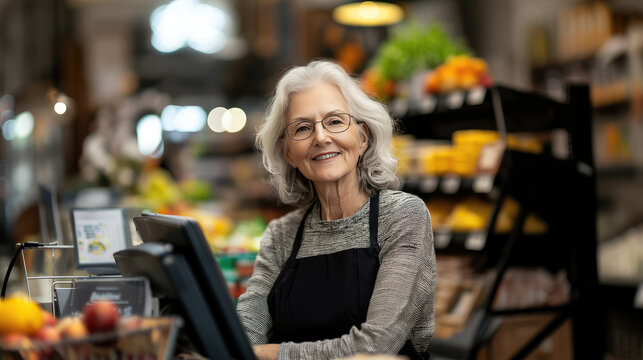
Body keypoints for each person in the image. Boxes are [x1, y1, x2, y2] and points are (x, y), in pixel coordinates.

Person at [236, 60, 436, 360]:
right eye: (302, 128)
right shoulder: (282, 235)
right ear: (288, 151)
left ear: (363, 136)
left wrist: (268, 354)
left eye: (335, 121)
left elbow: (375, 347)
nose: (320, 137)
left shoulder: (401, 217)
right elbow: (241, 336)